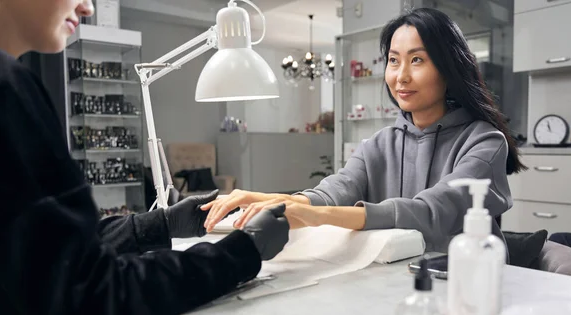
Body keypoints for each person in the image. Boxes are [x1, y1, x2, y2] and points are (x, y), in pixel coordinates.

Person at [0, 1, 290, 315]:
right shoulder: (8, 90)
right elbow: (99, 301)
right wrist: (241, 252)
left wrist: (162, 224)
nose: (86, 7)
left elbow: (52, 255)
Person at [202, 7, 526, 253]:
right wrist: (266, 199)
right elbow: (335, 191)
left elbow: (432, 212)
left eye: (417, 61)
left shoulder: (484, 142)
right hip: (395, 283)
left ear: (449, 66)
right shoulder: (381, 143)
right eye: (394, 60)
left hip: (466, 288)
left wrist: (321, 216)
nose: (401, 76)